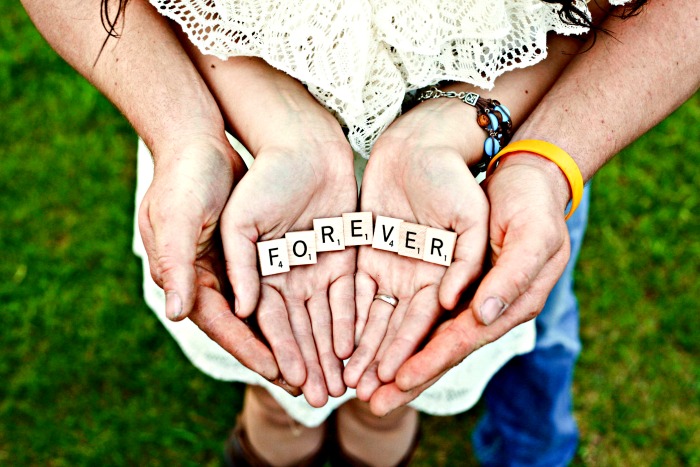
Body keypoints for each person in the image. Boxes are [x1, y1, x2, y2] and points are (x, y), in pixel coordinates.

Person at [20, 0, 698, 465]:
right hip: (240, 128)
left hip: (483, 161)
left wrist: (545, 160)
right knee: (280, 387)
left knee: (394, 392)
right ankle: (273, 436)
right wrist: (185, 131)